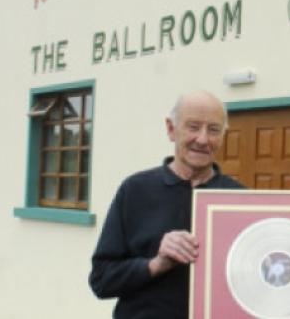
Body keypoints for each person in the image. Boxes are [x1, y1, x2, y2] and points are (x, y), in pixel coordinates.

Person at [89, 90, 244, 319]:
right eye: (193, 127)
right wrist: (155, 264)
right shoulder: (135, 190)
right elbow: (101, 280)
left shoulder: (238, 200)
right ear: (171, 129)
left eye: (213, 130)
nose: (203, 139)